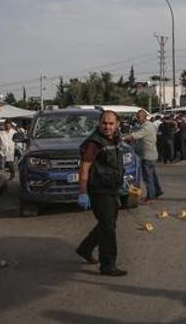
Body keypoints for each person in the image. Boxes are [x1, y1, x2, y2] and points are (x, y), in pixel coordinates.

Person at [76, 110, 128, 277]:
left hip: (112, 189)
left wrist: (122, 181)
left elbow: (116, 163)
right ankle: (108, 265)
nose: (107, 126)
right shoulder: (94, 143)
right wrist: (83, 192)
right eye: (104, 123)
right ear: (99, 123)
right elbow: (84, 168)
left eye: (111, 123)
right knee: (109, 228)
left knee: (107, 224)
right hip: (99, 191)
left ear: (117, 124)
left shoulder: (116, 138)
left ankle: (85, 249)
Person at [123, 109, 163, 203]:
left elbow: (135, 135)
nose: (137, 118)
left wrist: (122, 138)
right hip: (150, 155)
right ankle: (157, 191)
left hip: (147, 156)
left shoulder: (147, 127)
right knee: (152, 176)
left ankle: (151, 197)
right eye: (137, 116)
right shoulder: (145, 125)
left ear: (144, 117)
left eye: (139, 117)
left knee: (148, 177)